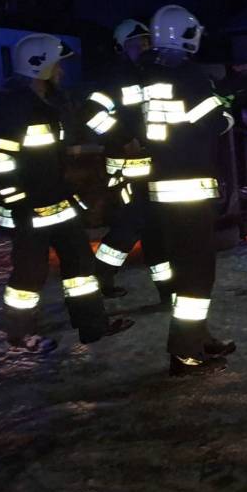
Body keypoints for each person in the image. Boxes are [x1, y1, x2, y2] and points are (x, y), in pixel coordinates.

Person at [0, 33, 134, 353]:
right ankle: (20, 334)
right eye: (57, 65)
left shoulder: (51, 103)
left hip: (56, 201)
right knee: (30, 274)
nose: (61, 71)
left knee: (80, 267)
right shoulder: (16, 105)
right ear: (40, 66)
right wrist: (17, 199)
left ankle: (93, 326)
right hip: (28, 207)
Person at [140, 5, 236, 376]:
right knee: (198, 273)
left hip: (163, 186)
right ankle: (184, 351)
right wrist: (227, 108)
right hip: (189, 189)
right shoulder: (191, 77)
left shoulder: (149, 77)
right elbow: (215, 122)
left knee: (186, 269)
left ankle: (199, 337)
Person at [80, 19, 173, 305]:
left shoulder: (153, 74)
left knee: (154, 228)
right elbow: (91, 114)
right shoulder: (115, 78)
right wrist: (122, 139)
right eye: (136, 43)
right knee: (131, 226)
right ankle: (101, 276)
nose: (143, 47)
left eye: (146, 41)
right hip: (126, 169)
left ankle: (166, 290)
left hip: (154, 166)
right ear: (122, 48)